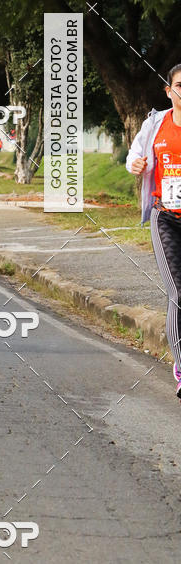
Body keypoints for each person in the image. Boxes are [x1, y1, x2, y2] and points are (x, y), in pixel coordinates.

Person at [127, 63, 181, 400]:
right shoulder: (155, 123)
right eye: (180, 85)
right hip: (167, 218)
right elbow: (135, 156)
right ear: (168, 90)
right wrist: (136, 164)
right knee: (179, 291)